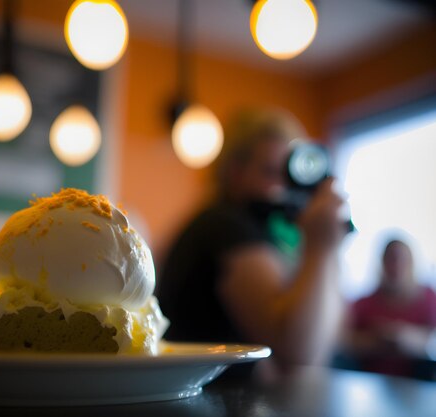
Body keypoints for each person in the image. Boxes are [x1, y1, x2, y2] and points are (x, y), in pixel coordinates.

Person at [157, 108, 347, 374]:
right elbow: (296, 352)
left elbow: (324, 342)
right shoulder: (226, 225)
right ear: (235, 171)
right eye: (271, 172)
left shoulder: (241, 226)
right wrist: (321, 247)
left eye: (289, 176)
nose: (283, 188)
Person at [344, 239, 436, 379]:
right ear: (382, 263)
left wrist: (406, 337)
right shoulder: (364, 303)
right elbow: (346, 340)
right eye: (391, 259)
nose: (396, 265)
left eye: (402, 259)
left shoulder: (428, 298)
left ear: (411, 263)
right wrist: (379, 339)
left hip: (416, 382)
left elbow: (430, 339)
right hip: (370, 380)